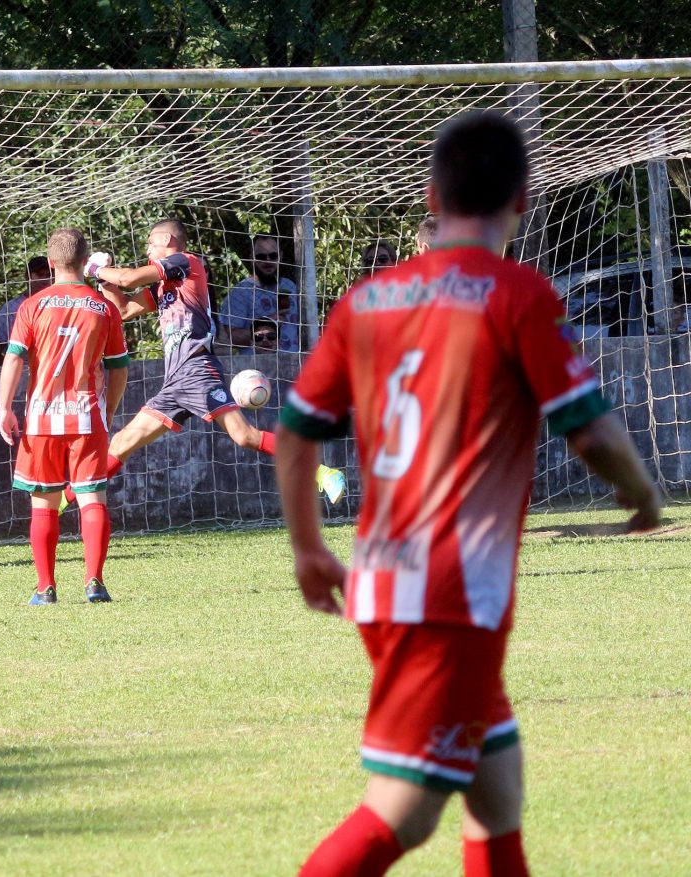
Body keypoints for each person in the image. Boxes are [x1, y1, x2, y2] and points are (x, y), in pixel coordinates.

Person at [275, 111, 661, 877]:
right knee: (403, 810)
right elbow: (591, 433)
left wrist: (308, 545)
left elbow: (296, 431)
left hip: (387, 575)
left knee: (497, 789)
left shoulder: (368, 299)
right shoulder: (516, 293)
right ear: (522, 200)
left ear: (431, 193)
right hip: (452, 593)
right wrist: (644, 495)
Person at [63, 219, 342, 509]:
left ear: (168, 239)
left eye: (150, 242)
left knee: (244, 436)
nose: (147, 247)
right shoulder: (163, 288)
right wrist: (104, 280)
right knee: (121, 443)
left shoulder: (186, 262)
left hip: (198, 371)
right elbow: (121, 309)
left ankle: (322, 472)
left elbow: (130, 279)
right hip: (175, 382)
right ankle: (65, 498)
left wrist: (94, 267)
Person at [0, 228, 129, 605]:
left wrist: (5, 408)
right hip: (87, 417)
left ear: (51, 262)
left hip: (41, 419)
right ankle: (94, 582)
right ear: (85, 261)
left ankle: (45, 587)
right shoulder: (103, 306)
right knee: (93, 498)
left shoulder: (33, 305)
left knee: (43, 502)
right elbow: (119, 366)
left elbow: (14, 358)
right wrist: (110, 408)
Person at [218, 234, 300, 353]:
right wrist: (267, 322)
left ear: (280, 256)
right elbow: (230, 338)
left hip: (296, 366)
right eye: (261, 257)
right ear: (252, 258)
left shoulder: (290, 286)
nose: (268, 261)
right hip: (258, 368)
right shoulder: (240, 292)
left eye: (273, 256)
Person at [0, 256, 53, 346]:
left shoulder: (58, 305)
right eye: (40, 275)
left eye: (49, 275)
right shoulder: (10, 309)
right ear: (27, 276)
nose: (45, 280)